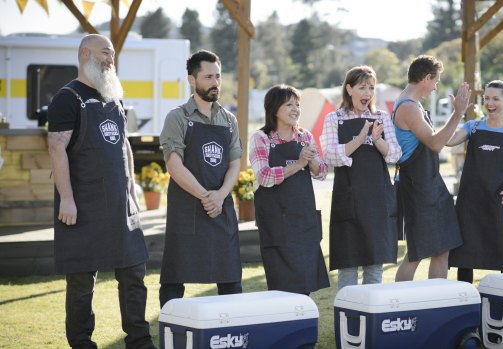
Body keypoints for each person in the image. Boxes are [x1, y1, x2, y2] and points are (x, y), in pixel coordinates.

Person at [47, 34, 155, 349]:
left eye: (112, 54)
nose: (111, 59)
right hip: (83, 204)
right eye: (106, 52)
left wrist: (132, 188)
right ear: (85, 53)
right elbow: (56, 148)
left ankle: (139, 341)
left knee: (134, 273)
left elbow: (124, 147)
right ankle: (81, 343)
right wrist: (66, 198)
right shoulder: (67, 97)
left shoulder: (114, 97)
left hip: (121, 205)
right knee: (82, 282)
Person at [158, 50, 242, 307]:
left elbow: (235, 164)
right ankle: (171, 332)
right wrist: (207, 197)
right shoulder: (177, 117)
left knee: (230, 278)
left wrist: (220, 195)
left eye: (218, 76)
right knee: (174, 279)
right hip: (187, 210)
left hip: (221, 209)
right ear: (192, 80)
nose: (215, 82)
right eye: (208, 77)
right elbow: (174, 166)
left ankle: (233, 333)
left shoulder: (228, 120)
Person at [321, 65, 402, 289]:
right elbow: (329, 155)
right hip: (348, 199)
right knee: (348, 264)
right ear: (349, 89)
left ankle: (372, 318)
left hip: (377, 199)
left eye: (371, 88)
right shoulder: (333, 119)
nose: (367, 93)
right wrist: (359, 139)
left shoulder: (381, 117)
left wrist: (377, 140)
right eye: (362, 87)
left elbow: (395, 154)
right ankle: (348, 319)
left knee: (374, 264)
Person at [392, 55, 470, 282]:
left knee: (442, 247)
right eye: (435, 81)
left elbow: (437, 139)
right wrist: (458, 113)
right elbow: (436, 144)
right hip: (419, 187)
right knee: (416, 253)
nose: (436, 87)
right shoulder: (408, 107)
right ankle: (399, 303)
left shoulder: (412, 104)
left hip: (429, 184)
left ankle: (438, 300)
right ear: (426, 78)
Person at [249, 84, 330, 295]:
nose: (296, 109)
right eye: (289, 105)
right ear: (274, 109)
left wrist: (310, 159)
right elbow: (264, 177)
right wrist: (298, 164)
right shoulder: (261, 138)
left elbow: (321, 172)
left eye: (298, 104)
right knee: (282, 285)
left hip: (304, 220)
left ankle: (304, 323)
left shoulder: (305, 136)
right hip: (277, 223)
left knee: (305, 283)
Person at [447, 80, 503, 283]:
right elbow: (448, 140)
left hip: (496, 200)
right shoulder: (472, 127)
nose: (490, 103)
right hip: (469, 201)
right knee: (465, 254)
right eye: (486, 98)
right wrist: (458, 113)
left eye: (495, 99)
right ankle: (464, 298)